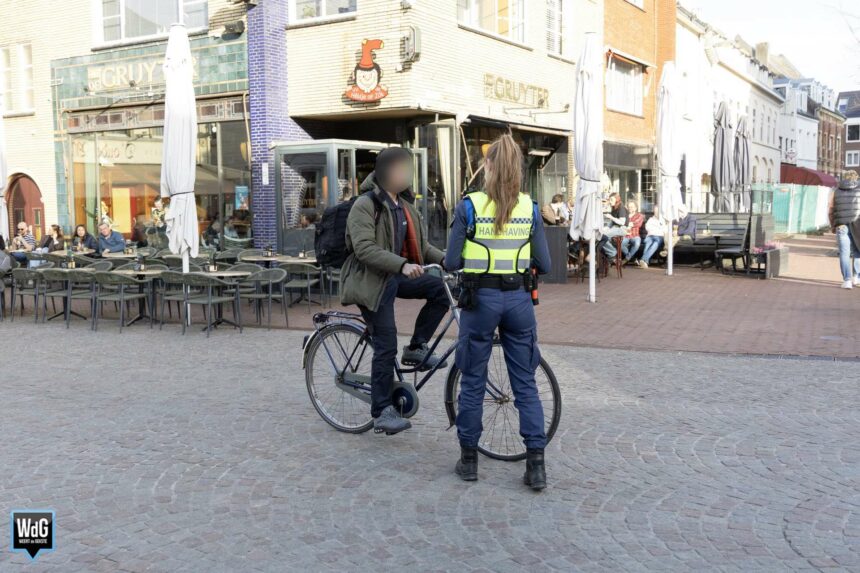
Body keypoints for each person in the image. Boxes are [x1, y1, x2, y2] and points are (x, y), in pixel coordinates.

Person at [444, 134, 552, 491]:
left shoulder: (469, 206)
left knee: (473, 381)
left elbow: (451, 261)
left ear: (487, 166)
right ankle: (536, 466)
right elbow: (546, 264)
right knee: (525, 384)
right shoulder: (530, 208)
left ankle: (469, 461)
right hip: (519, 301)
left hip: (480, 302)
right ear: (518, 169)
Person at [340, 147, 448, 436]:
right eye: (403, 169)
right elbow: (364, 248)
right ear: (386, 171)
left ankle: (416, 348)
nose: (408, 175)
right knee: (386, 343)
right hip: (371, 281)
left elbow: (422, 248)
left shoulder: (405, 206)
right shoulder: (365, 205)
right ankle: (382, 411)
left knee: (439, 289)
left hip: (395, 276)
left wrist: (446, 260)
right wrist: (401, 265)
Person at [829, 174, 860, 289]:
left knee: (844, 252)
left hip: (841, 224)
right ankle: (856, 277)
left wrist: (833, 225)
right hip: (857, 223)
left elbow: (830, 208)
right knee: (858, 249)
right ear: (855, 178)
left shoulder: (835, 190)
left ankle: (847, 280)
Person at [600, 192, 629, 259]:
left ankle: (612, 252)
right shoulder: (614, 208)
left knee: (602, 236)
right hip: (615, 228)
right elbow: (612, 222)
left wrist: (611, 217)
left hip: (622, 228)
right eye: (609, 200)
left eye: (612, 200)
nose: (610, 201)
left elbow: (622, 222)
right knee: (601, 235)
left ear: (617, 199)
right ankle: (608, 253)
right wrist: (606, 228)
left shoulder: (621, 208)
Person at [622, 200, 644, 265]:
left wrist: (629, 224)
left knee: (637, 243)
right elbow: (621, 223)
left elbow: (638, 224)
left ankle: (626, 259)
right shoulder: (625, 215)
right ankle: (630, 258)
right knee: (620, 244)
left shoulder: (639, 215)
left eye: (632, 207)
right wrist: (629, 224)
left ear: (636, 208)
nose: (631, 208)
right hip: (625, 235)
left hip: (635, 235)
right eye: (629, 207)